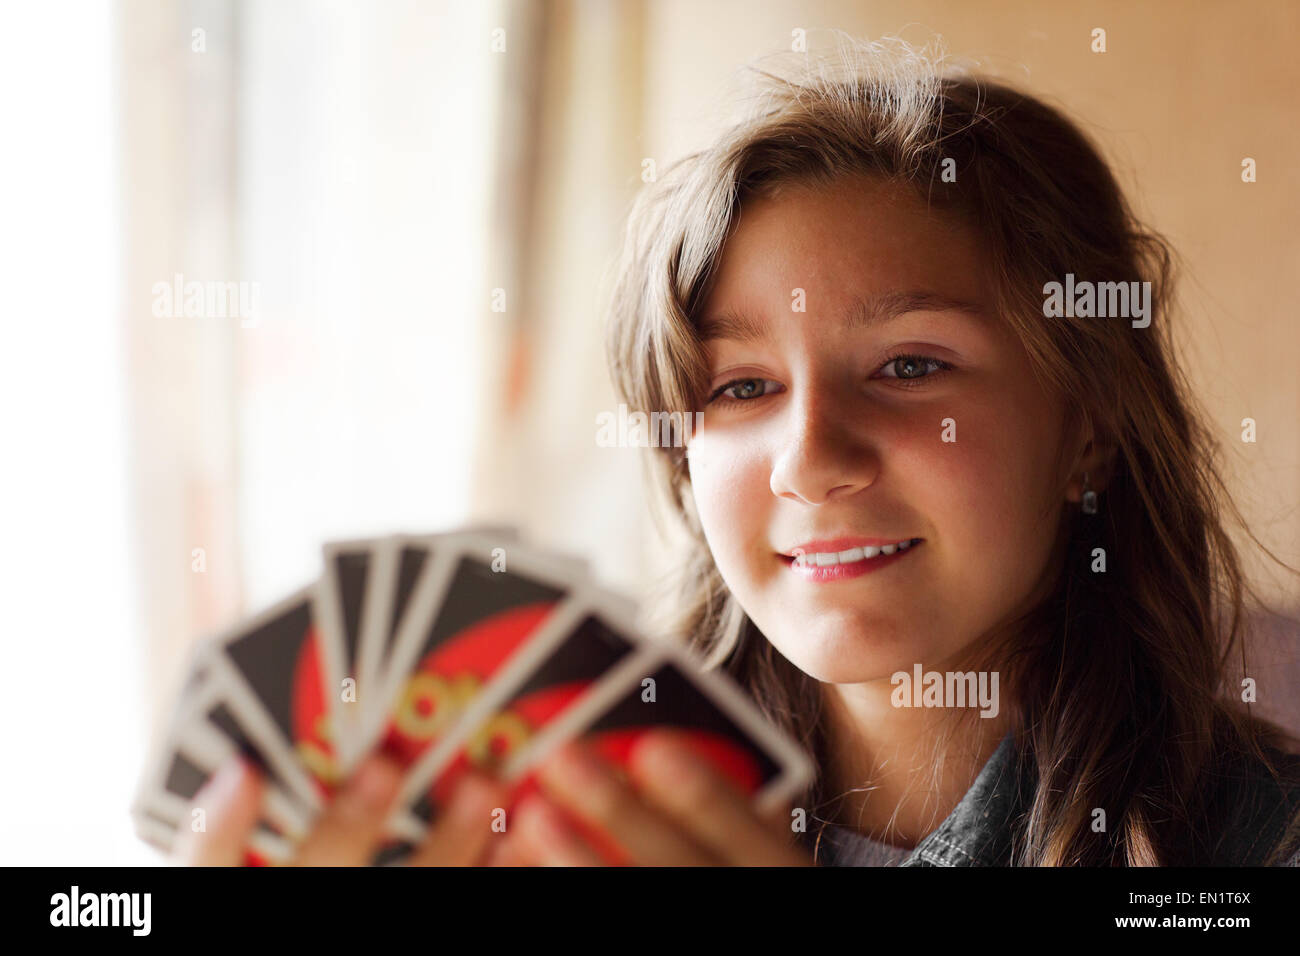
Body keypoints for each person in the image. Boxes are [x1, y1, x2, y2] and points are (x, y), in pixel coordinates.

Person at [177, 35, 1300, 867]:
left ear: (1089, 428)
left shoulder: (1257, 838)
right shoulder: (530, 811)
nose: (810, 458)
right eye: (742, 386)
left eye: (910, 365)